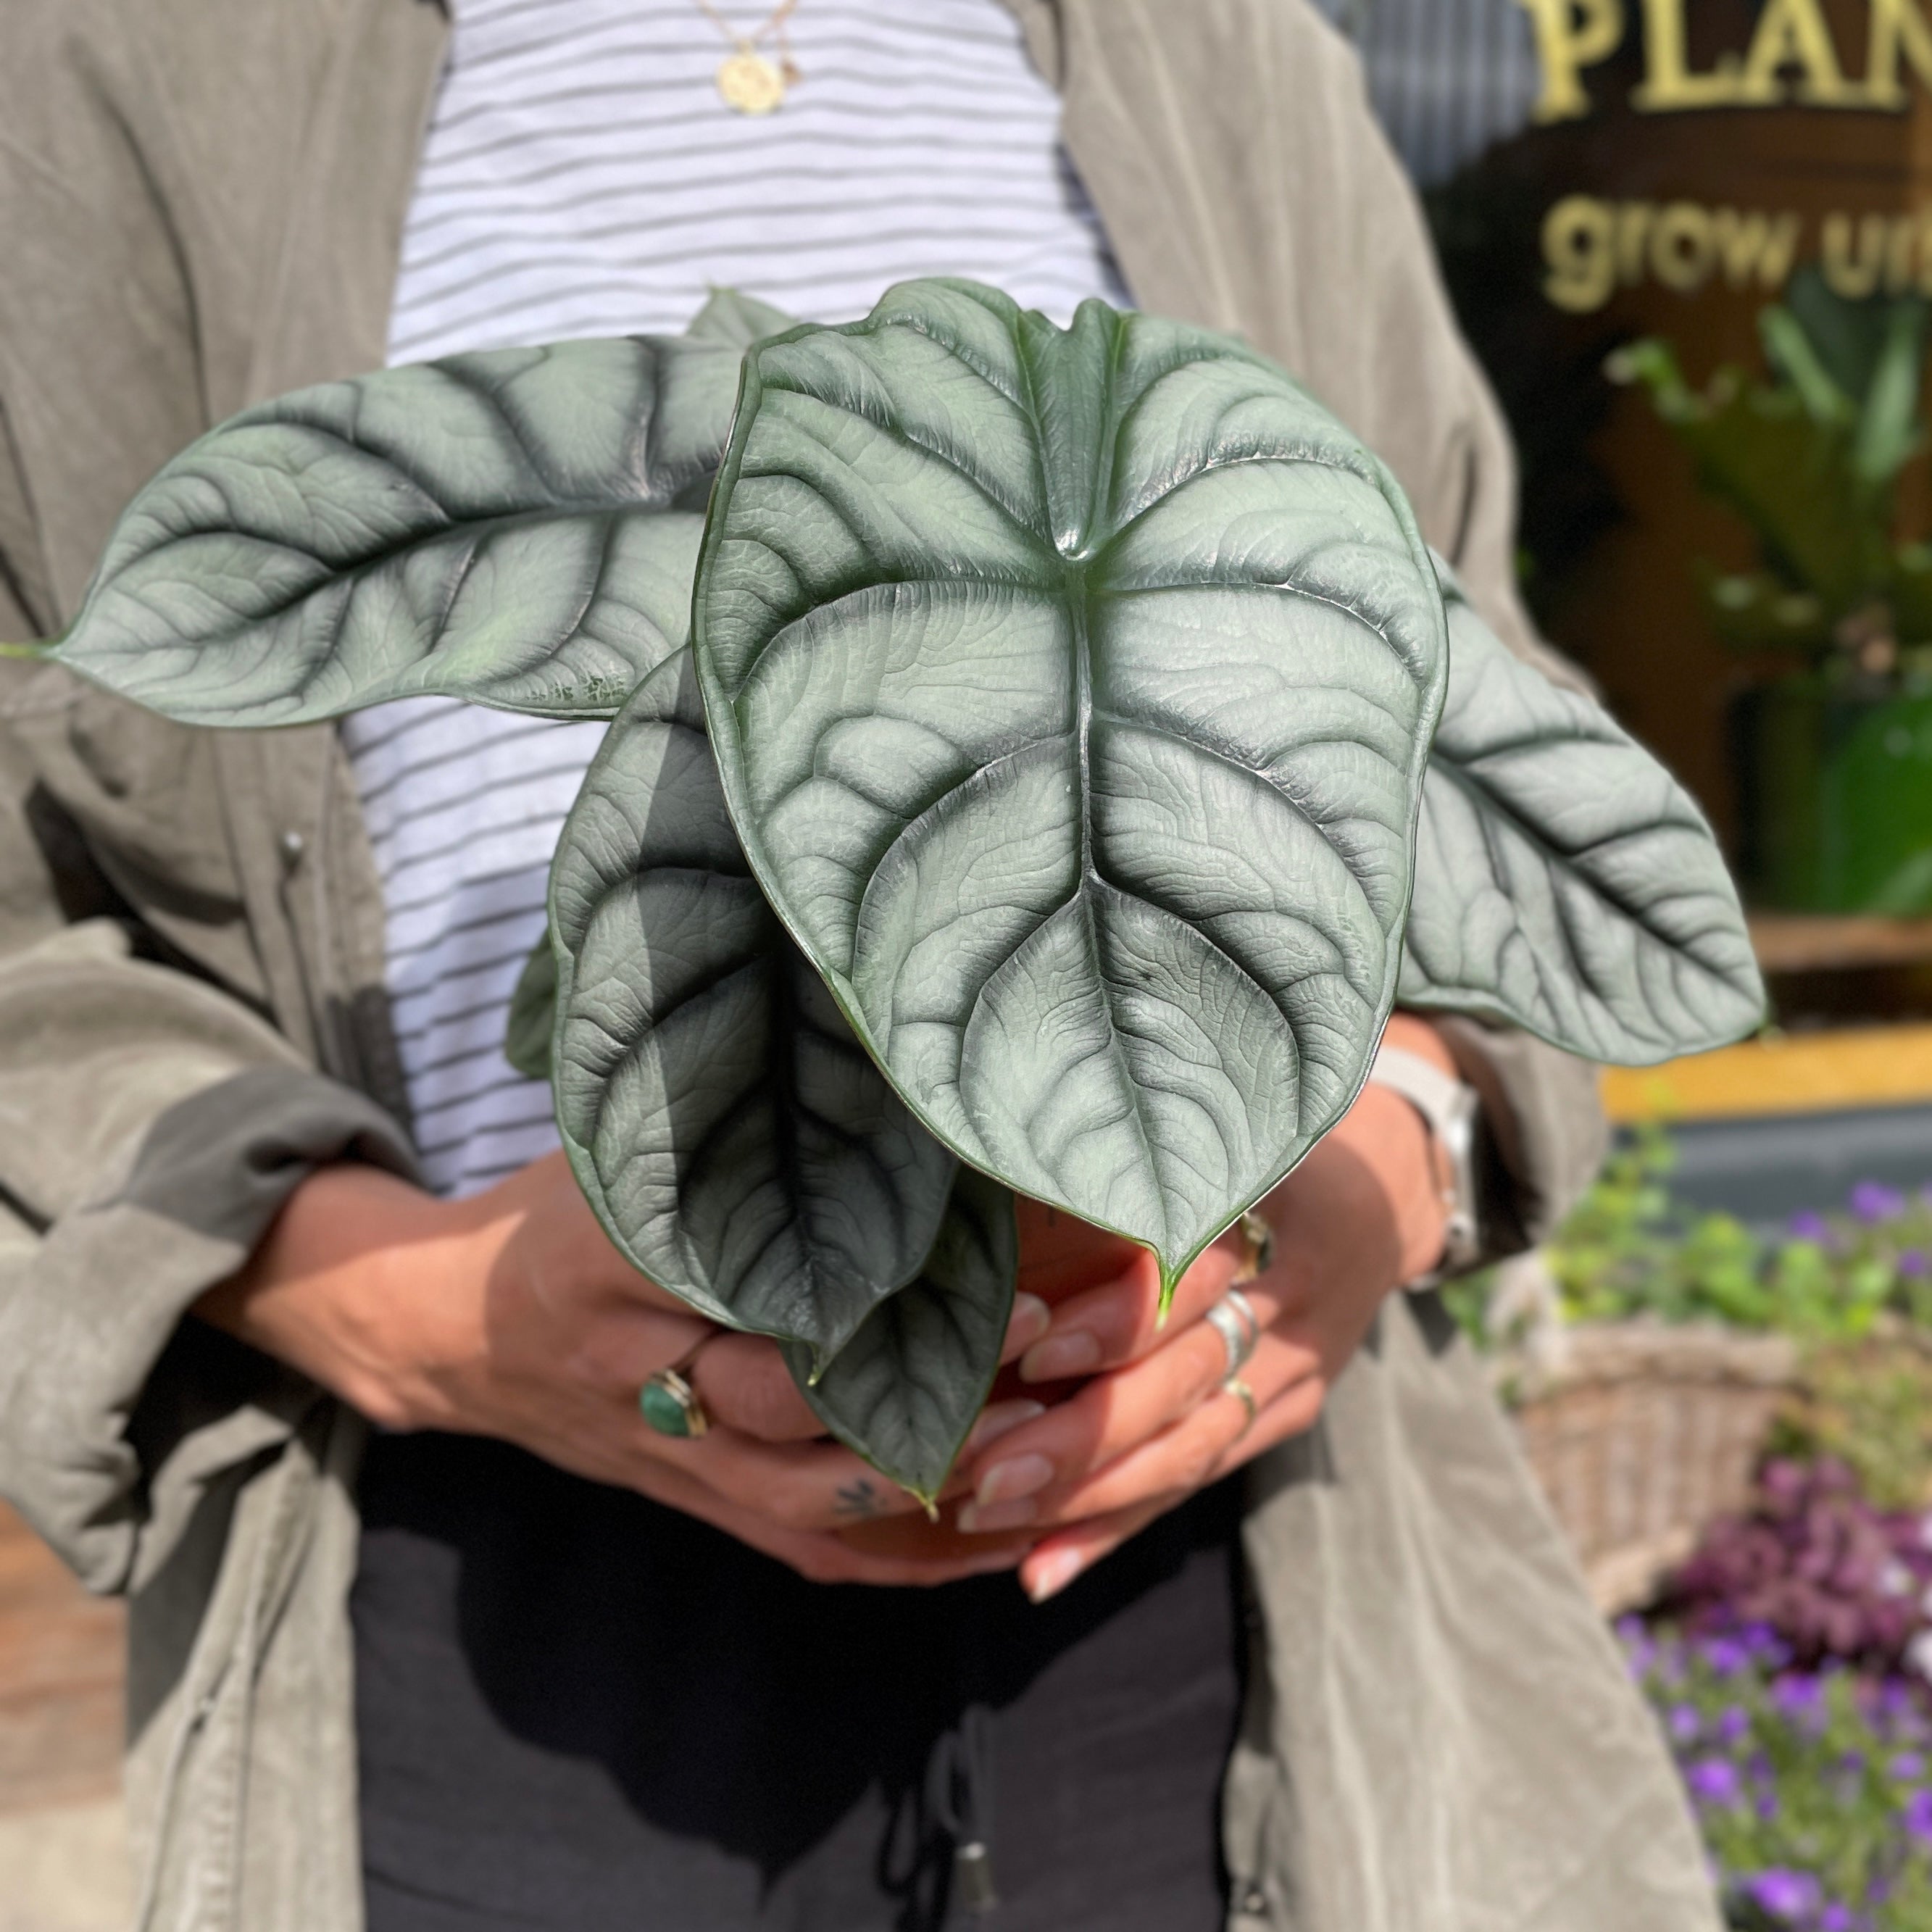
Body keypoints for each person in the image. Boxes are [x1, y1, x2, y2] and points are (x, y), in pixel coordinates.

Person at [0, 1, 1719, 1928]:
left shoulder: (1225, 54)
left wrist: (1384, 1161)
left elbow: (1452, 705)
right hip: (484, 1611)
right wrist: (405, 1309)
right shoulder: (123, 63)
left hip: (1202, 1598)